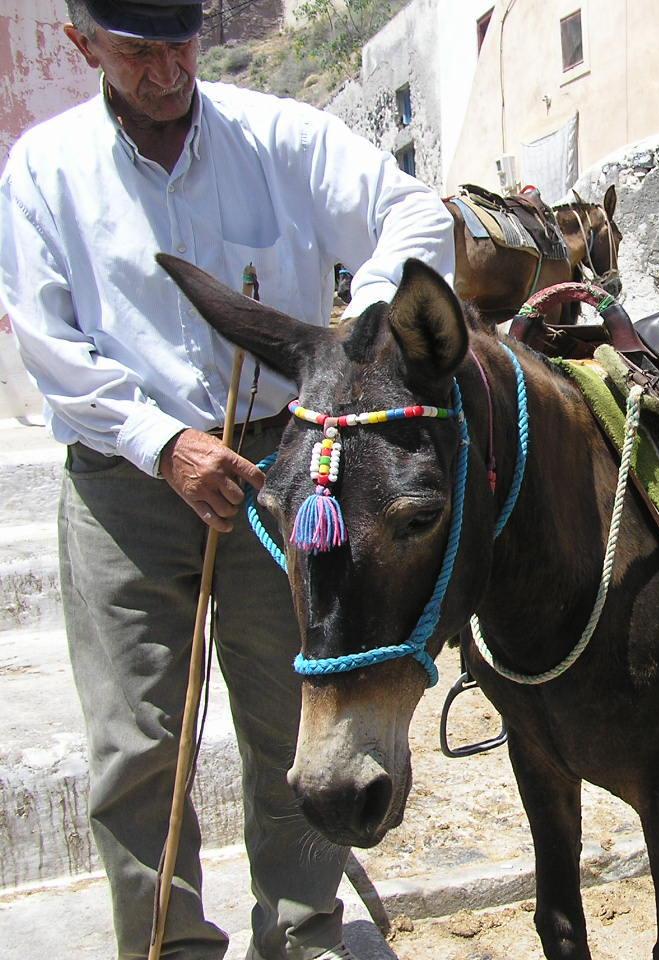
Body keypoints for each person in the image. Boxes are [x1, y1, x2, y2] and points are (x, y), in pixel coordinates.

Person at [0, 1, 455, 957]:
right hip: (124, 479)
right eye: (136, 52)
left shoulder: (275, 134)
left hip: (276, 477)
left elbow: (412, 210)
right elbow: (49, 341)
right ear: (85, 45)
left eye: (179, 45)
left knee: (282, 713)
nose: (166, 71)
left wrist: (358, 336)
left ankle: (301, 929)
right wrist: (163, 442)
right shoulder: (45, 169)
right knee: (134, 744)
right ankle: (168, 943)